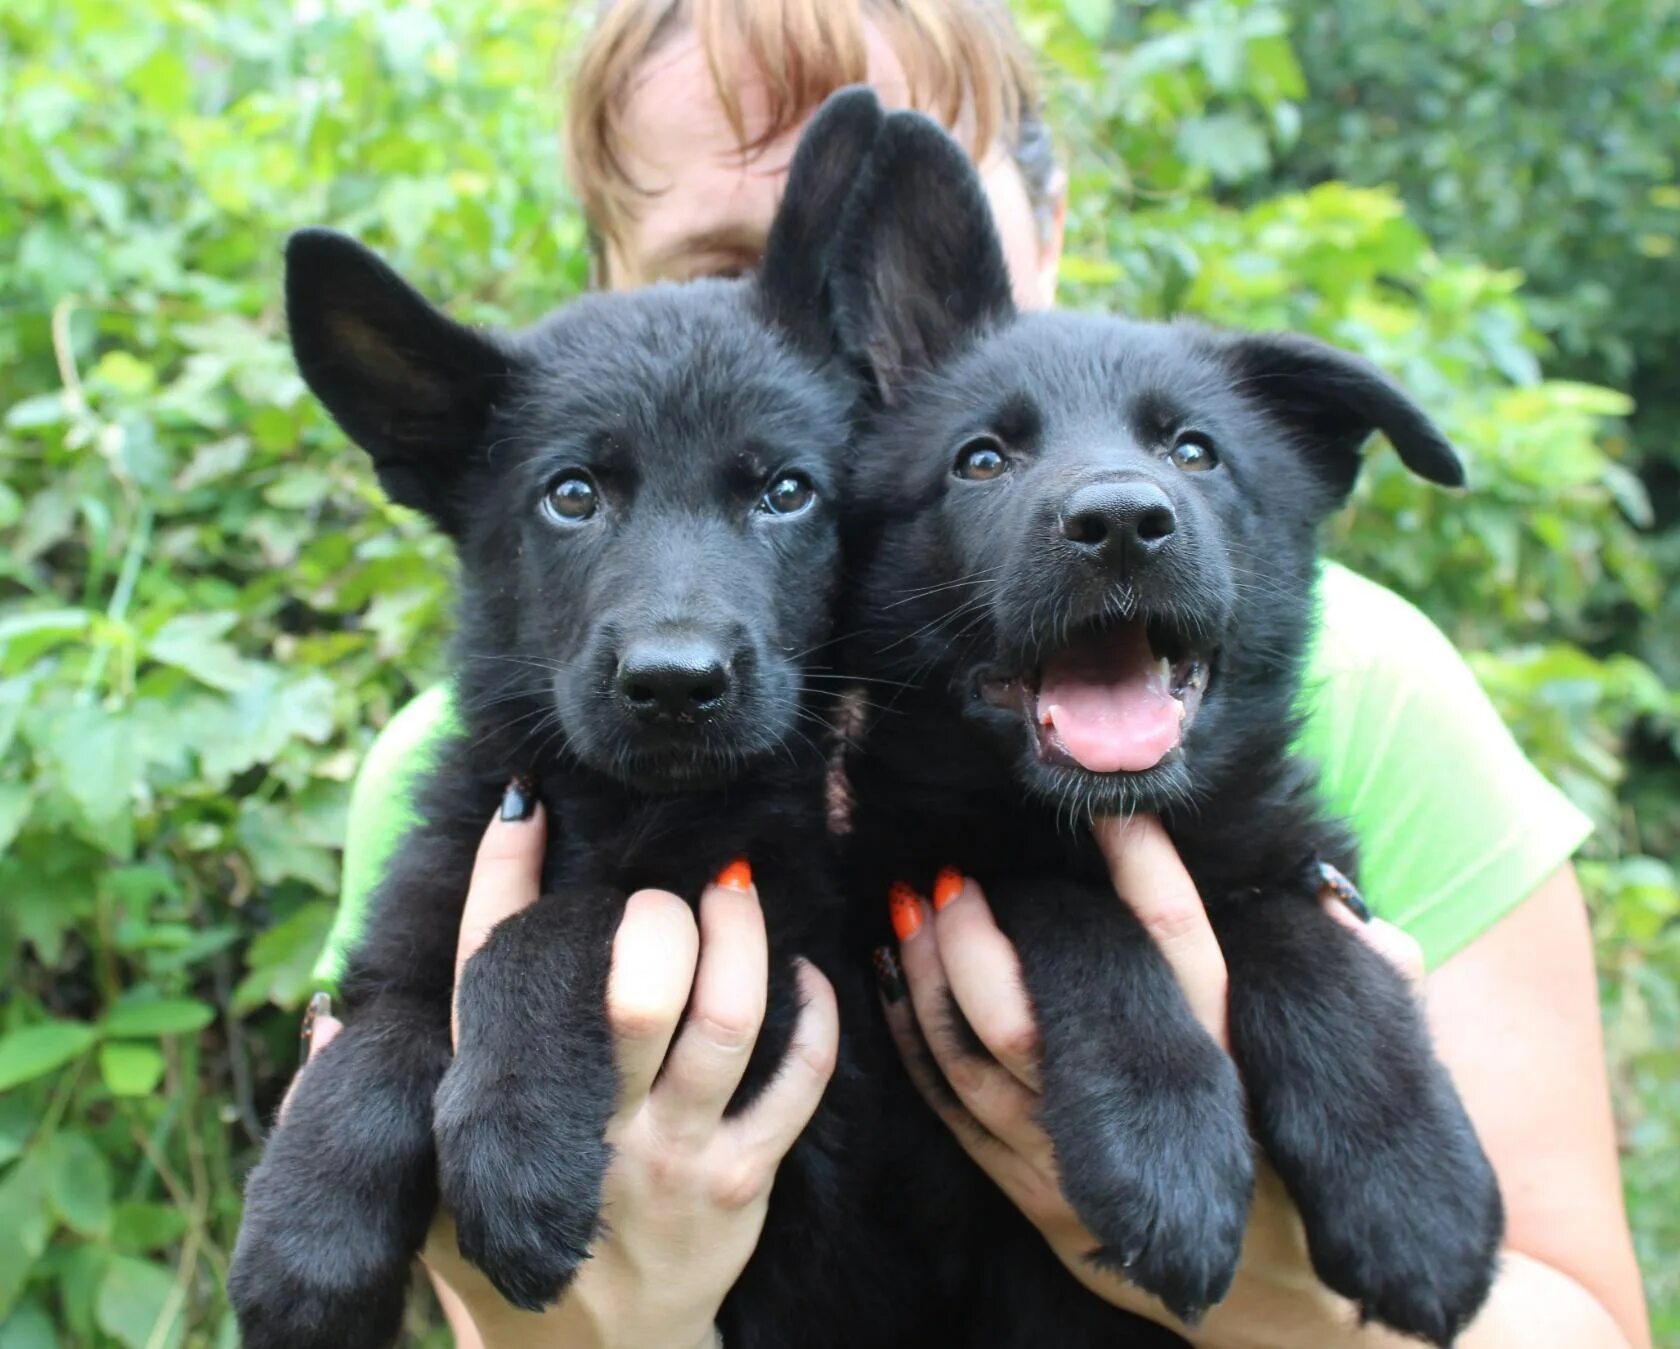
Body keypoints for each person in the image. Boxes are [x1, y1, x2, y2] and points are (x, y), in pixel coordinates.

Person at [294, 2, 1651, 1345]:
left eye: (892, 271)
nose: (823, 345)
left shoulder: (1369, 696)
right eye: (733, 269)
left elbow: (1580, 1310)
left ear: (1038, 240)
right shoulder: (478, 786)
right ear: (609, 277)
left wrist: (1297, 1306)